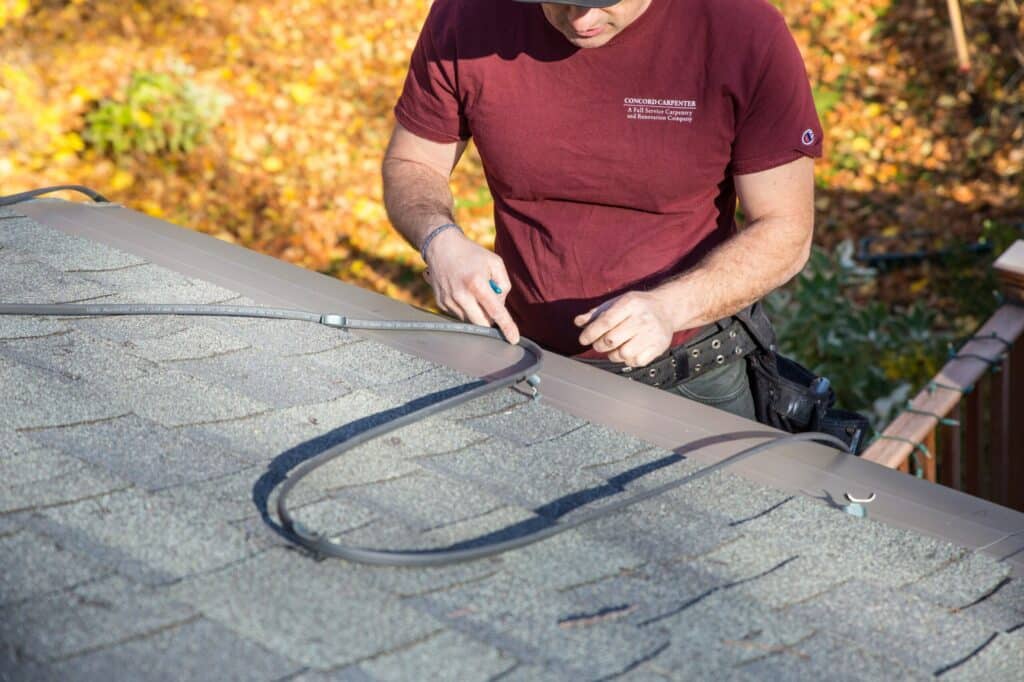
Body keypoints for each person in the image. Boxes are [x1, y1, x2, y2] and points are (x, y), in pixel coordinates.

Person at [381, 0, 823, 420]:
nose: (580, 19)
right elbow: (413, 163)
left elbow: (786, 231)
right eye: (557, 2)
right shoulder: (469, 16)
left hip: (691, 372)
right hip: (522, 358)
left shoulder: (741, 32)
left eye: (602, 0)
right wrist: (440, 240)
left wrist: (671, 308)